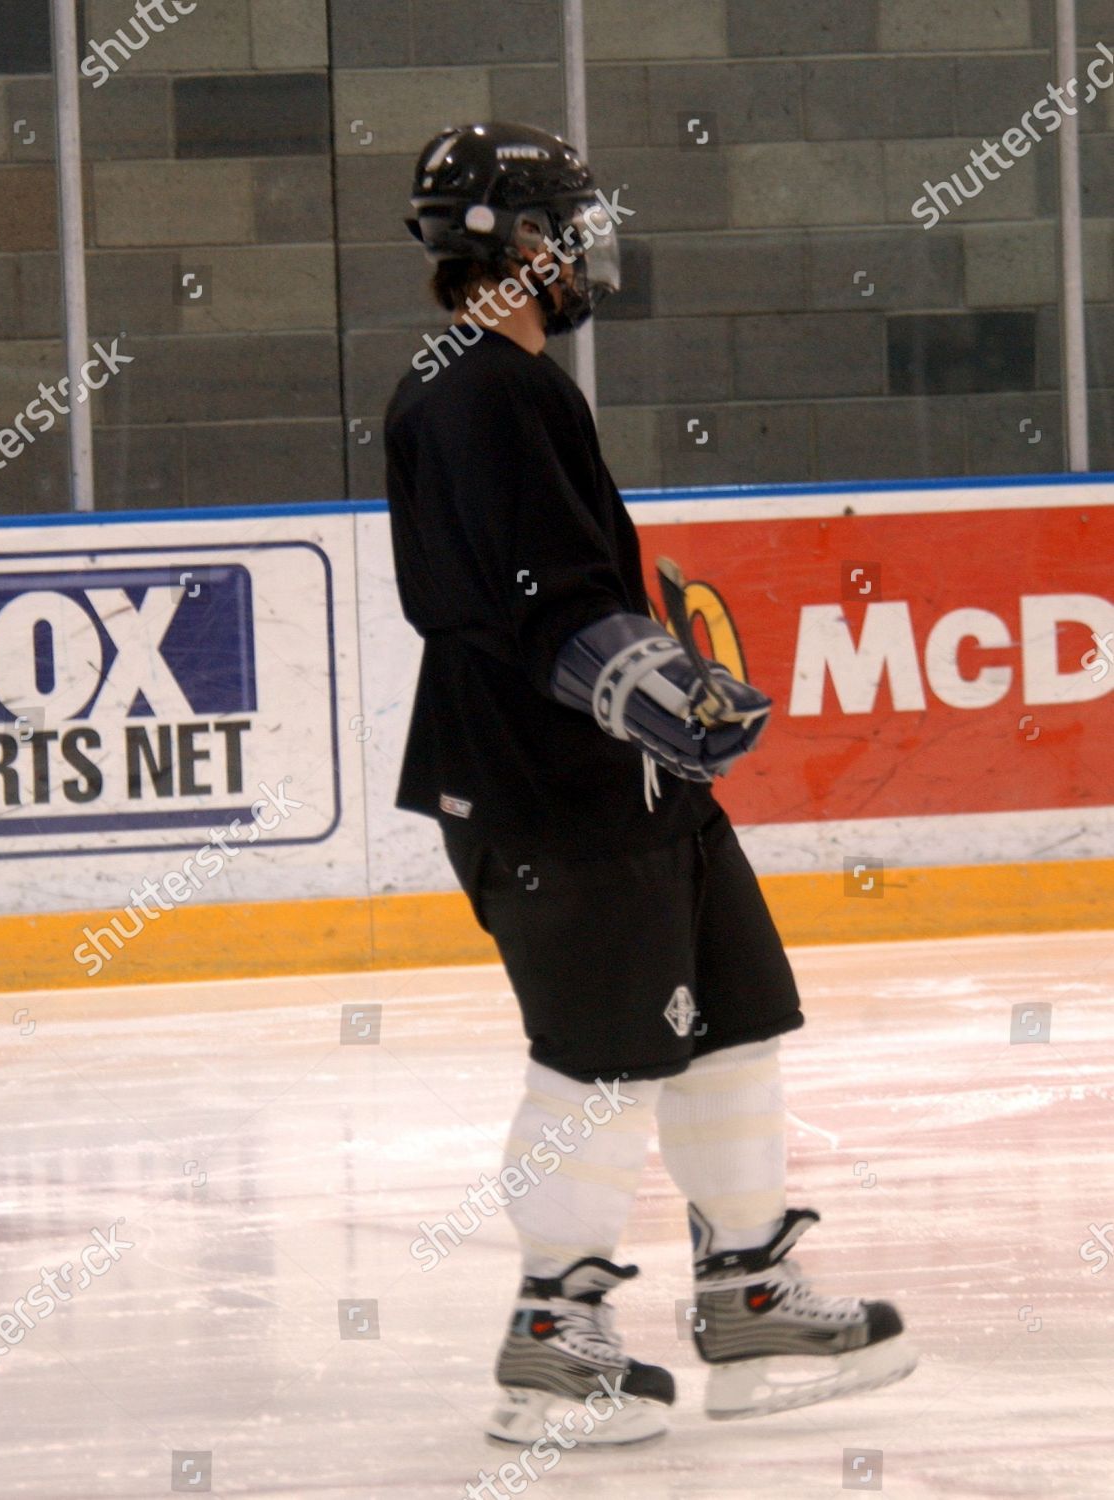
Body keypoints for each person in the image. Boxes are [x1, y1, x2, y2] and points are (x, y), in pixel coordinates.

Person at [384, 121, 916, 1446]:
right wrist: (649, 680)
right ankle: (553, 1332)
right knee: (604, 1058)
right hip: (549, 792)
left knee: (736, 1012)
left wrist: (649, 685)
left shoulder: (499, 379)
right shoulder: (475, 390)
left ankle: (747, 1293)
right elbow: (522, 601)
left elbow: (557, 588)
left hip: (629, 791)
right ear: (514, 242)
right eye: (565, 223)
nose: (587, 249)